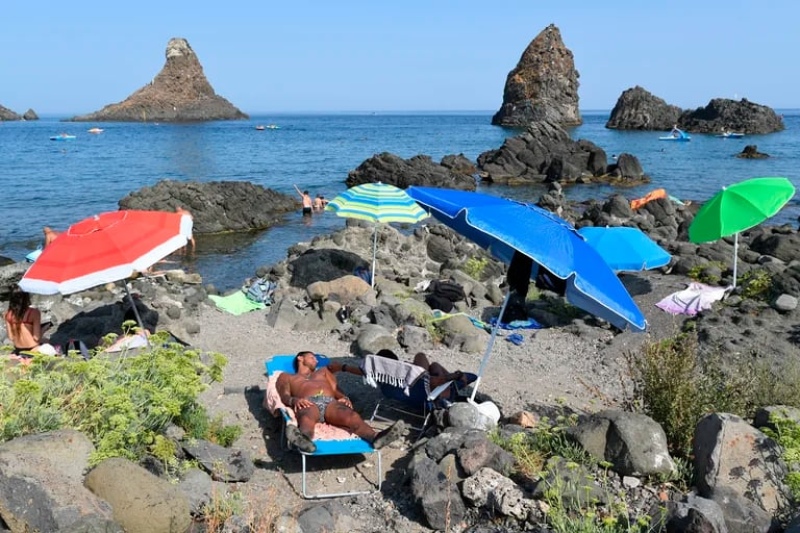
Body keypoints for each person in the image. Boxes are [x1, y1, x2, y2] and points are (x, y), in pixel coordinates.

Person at [276, 351, 405, 453]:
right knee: (306, 417)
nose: (316, 360)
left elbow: (335, 389)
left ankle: (376, 438)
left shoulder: (323, 371)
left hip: (331, 402)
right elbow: (284, 395)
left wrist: (343, 397)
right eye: (312, 357)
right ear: (300, 358)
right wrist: (294, 400)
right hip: (308, 402)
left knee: (352, 416)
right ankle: (304, 440)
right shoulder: (286, 376)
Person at [332, 349, 474, 397]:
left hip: (404, 392)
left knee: (434, 366)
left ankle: (450, 384)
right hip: (430, 390)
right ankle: (452, 388)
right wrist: (455, 375)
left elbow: (362, 371)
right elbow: (433, 382)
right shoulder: (417, 379)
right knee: (420, 356)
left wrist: (342, 367)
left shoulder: (380, 375)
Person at [4, 285, 56, 357]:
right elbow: (36, 338)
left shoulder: (7, 314)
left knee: (45, 340)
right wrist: (44, 328)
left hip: (18, 350)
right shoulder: (34, 312)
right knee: (50, 346)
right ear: (26, 297)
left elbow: (11, 337)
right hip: (32, 350)